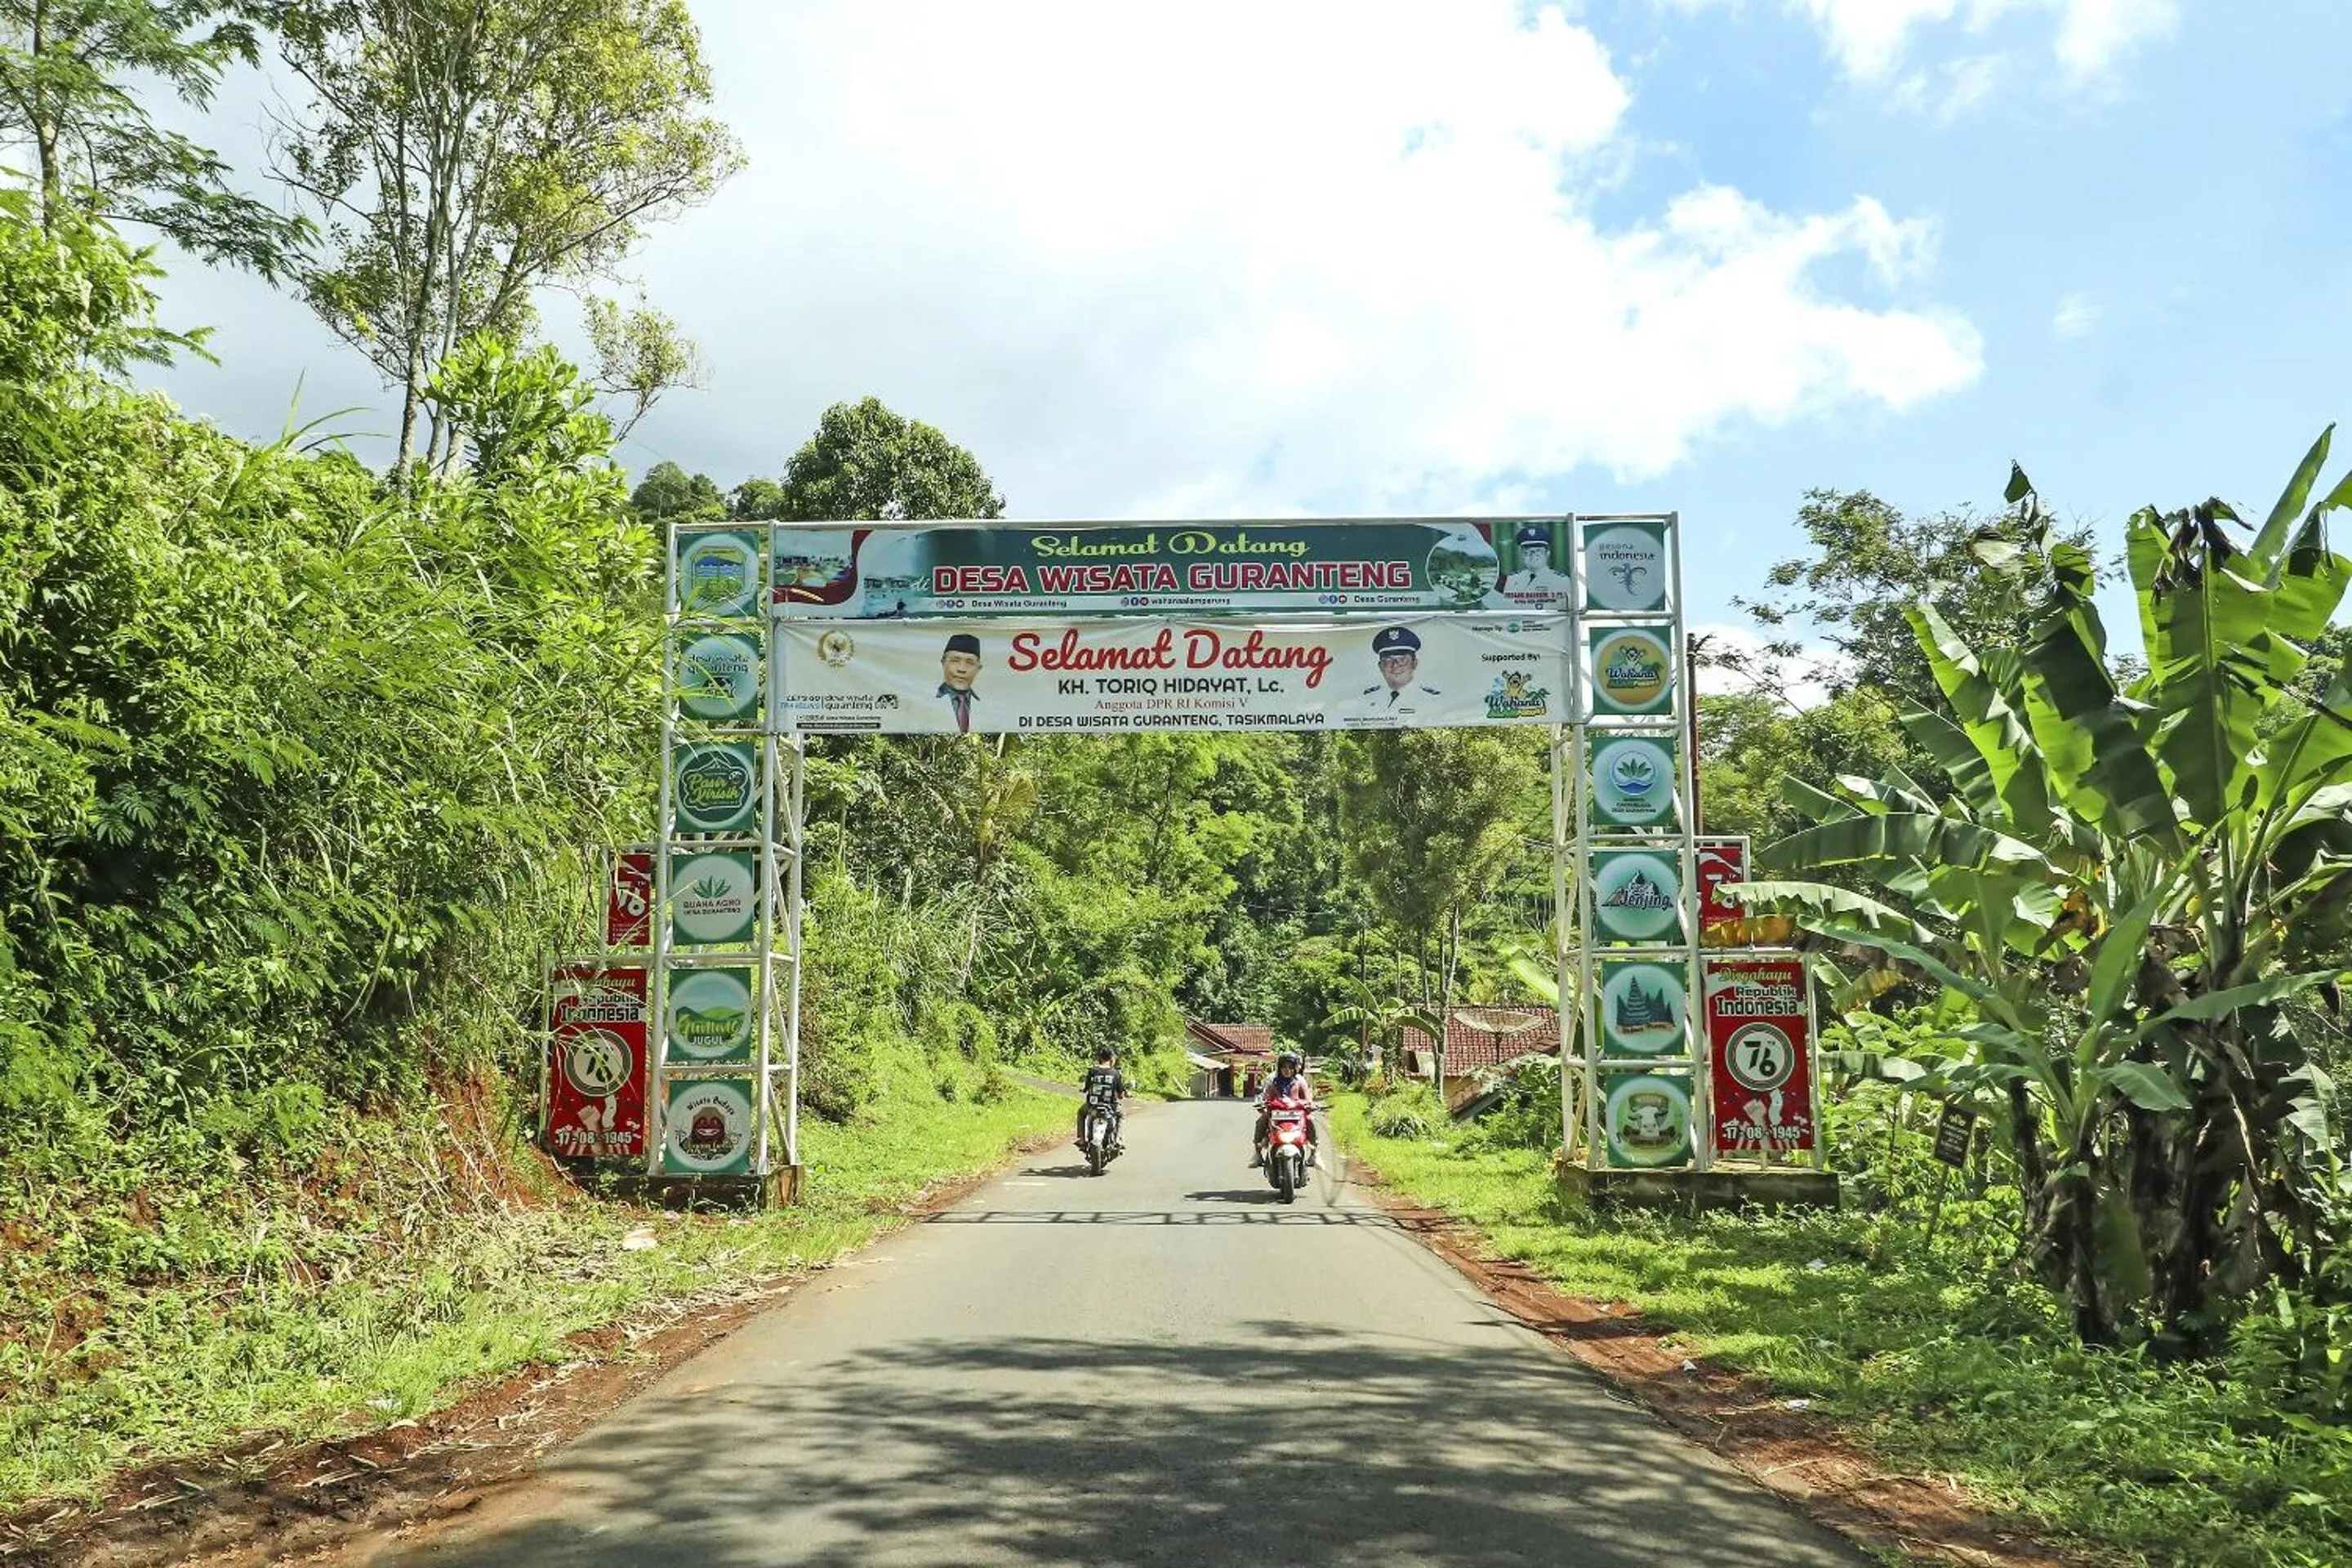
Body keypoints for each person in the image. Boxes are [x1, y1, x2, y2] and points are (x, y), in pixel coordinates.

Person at [1348, 626, 1441, 720]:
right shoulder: (1367, 697)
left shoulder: (1432, 699)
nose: (1395, 665)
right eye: (1388, 660)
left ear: (1414, 664)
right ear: (1380, 666)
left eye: (1402, 659)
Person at [1250, 1051, 1318, 1167]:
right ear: (1280, 1068)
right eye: (1284, 1067)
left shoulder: (1300, 1081)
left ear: (1295, 1069)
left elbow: (1307, 1098)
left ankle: (1314, 1154)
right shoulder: (1273, 1082)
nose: (1287, 1070)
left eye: (1291, 1067)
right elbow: (1266, 1097)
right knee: (1262, 1120)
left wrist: (1309, 1105)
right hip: (1277, 1114)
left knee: (1310, 1119)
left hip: (1296, 1114)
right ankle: (1257, 1153)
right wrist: (1262, 1106)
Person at [1496, 523, 1571, 600]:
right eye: (1527, 552)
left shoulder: (1562, 581)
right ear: (1522, 555)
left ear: (1547, 553)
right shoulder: (1512, 579)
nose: (1532, 556)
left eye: (1538, 551)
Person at [1077, 1046, 1125, 1152]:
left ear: (1100, 1058)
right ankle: (1118, 1140)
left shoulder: (1093, 1071)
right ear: (1112, 1058)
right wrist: (1122, 1095)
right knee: (1121, 1115)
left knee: (1081, 1113)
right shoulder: (1115, 1073)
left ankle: (1081, 1139)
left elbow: (1086, 1088)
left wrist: (1084, 1090)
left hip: (1092, 1105)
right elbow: (1120, 1093)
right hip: (1111, 1106)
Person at [938, 632, 982, 733]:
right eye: (955, 661)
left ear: (978, 668)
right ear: (943, 663)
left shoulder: (988, 705)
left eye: (970, 662)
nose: (962, 669)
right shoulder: (923, 699)